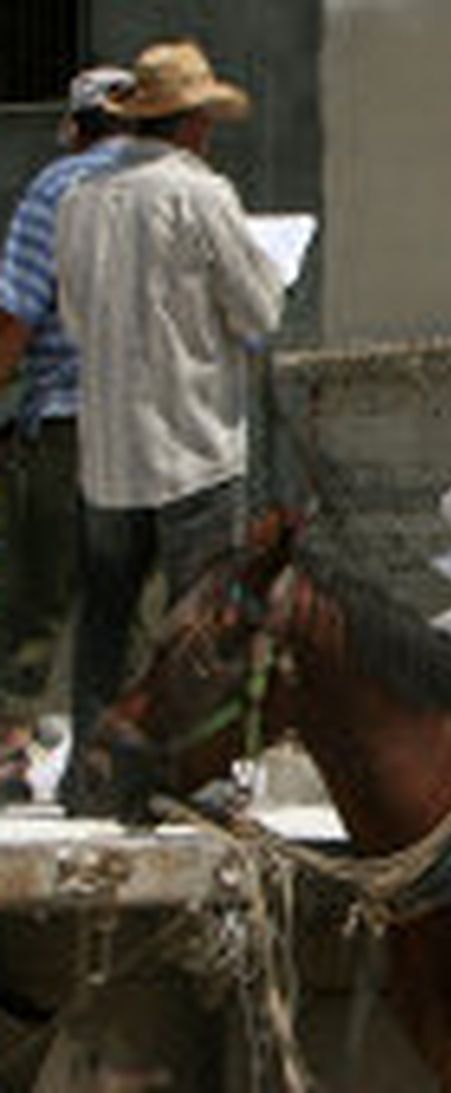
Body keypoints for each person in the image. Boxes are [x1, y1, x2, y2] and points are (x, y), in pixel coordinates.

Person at [55, 40, 284, 812]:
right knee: (197, 624)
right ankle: (193, 775)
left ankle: (90, 777)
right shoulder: (202, 196)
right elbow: (260, 310)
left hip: (110, 454)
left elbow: (75, 318)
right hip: (193, 445)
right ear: (192, 126)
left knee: (107, 622)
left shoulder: (79, 202)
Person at [0, 66, 133, 800]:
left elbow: (16, 310)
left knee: (34, 592)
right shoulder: (176, 186)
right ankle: (113, 753)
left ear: (77, 126)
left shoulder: (56, 188)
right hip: (149, 431)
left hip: (61, 419)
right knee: (127, 597)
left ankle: (11, 750)